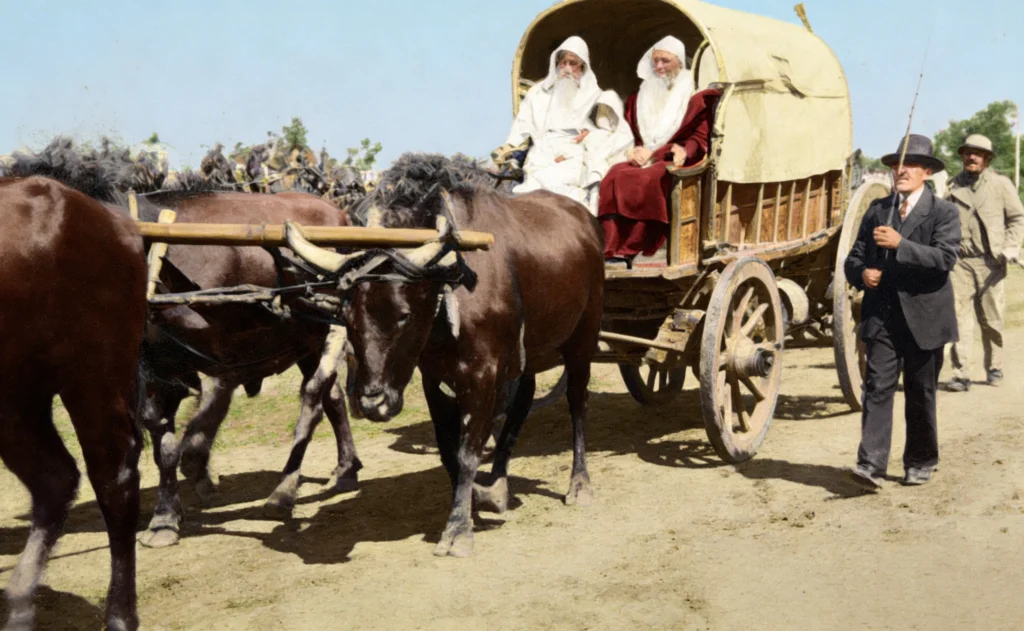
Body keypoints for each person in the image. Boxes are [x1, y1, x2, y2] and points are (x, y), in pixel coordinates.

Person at [844, 134, 961, 490]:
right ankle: (871, 465)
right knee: (877, 387)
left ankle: (921, 461)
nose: (901, 170)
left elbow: (944, 259)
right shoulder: (879, 209)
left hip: (926, 318)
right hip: (882, 316)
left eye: (910, 164)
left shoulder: (944, 212)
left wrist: (901, 245)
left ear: (927, 171)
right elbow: (854, 258)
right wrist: (862, 273)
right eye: (897, 164)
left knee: (920, 390)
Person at [597, 35, 719, 266]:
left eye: (665, 61)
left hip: (673, 158)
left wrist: (683, 150)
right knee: (614, 175)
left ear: (680, 63)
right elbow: (628, 134)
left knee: (651, 179)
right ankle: (611, 248)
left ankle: (636, 247)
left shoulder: (694, 97)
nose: (659, 67)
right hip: (643, 156)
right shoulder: (639, 97)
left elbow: (699, 138)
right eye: (655, 61)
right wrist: (632, 152)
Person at [944, 134, 1024, 391]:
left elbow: (1017, 219)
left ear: (988, 159)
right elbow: (941, 221)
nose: (972, 157)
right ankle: (960, 373)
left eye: (978, 153)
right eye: (968, 152)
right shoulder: (952, 186)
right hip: (960, 262)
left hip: (992, 263)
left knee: (992, 319)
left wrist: (1011, 246)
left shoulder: (1001, 185)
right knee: (958, 319)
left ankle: (995, 367)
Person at [497, 36, 604, 204]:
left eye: (573, 63)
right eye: (563, 62)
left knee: (559, 186)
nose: (567, 68)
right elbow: (521, 127)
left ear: (582, 65)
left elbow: (605, 132)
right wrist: (506, 149)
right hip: (542, 150)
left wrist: (586, 137)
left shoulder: (595, 96)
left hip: (575, 153)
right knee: (529, 189)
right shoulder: (538, 92)